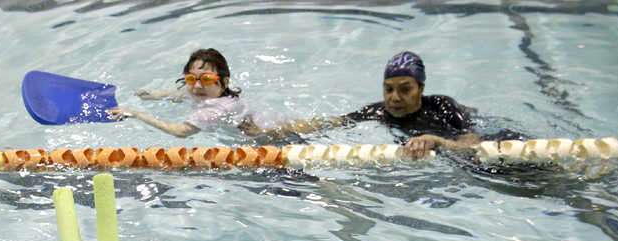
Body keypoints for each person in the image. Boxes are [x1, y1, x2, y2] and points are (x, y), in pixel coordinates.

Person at [257, 51, 480, 159]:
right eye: (388, 89)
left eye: (405, 89)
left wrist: (434, 141)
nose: (394, 97)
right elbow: (332, 123)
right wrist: (278, 129)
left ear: (421, 88)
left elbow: (471, 145)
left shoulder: (441, 106)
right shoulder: (377, 111)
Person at [107, 48, 271, 137]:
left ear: (225, 82)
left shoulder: (213, 110)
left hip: (268, 144)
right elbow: (182, 91)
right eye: (192, 79)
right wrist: (153, 96)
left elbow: (180, 131)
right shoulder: (218, 95)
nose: (197, 86)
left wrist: (135, 114)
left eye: (206, 79)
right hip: (272, 126)